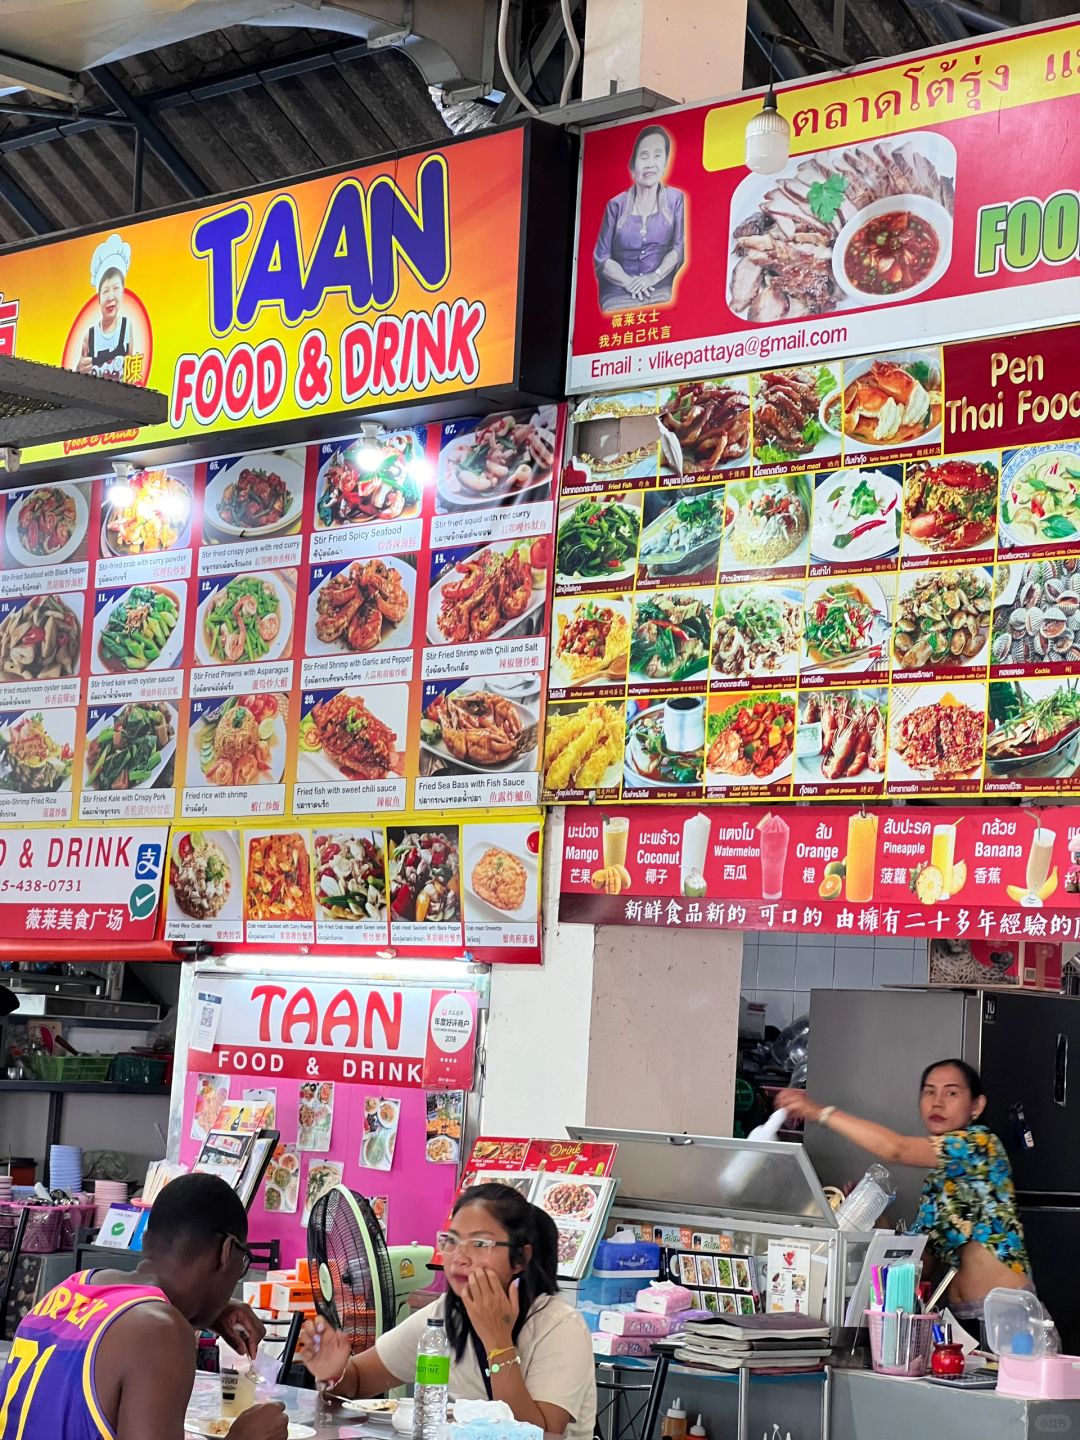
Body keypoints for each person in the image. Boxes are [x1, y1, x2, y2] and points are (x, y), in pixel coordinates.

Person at [0, 1172, 288, 1440]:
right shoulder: (160, 1331)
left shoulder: (76, 1286)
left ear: (148, 1239)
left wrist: (205, 1313)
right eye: (243, 1262)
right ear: (226, 1253)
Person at [299, 1183, 596, 1438]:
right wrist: (335, 1372)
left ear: (520, 1257)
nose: (459, 1257)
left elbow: (540, 1435)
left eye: (480, 1243)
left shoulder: (559, 1326)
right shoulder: (446, 1313)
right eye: (451, 1241)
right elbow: (361, 1380)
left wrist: (498, 1342)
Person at [779, 1058, 1033, 1311]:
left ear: (976, 1106)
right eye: (929, 1091)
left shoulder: (981, 1145)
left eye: (952, 1093)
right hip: (963, 1318)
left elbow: (897, 1149)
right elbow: (920, 1262)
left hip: (1008, 1314)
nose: (938, 1102)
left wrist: (820, 1113)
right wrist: (874, 1217)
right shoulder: (937, 1183)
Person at [593, 125, 686, 314]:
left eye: (658, 155)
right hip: (617, 290)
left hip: (659, 287)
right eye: (644, 157)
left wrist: (653, 277)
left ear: (666, 162)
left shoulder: (675, 199)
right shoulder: (616, 205)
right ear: (633, 165)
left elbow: (678, 248)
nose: (650, 163)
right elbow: (602, 257)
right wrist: (629, 282)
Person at [78, 233, 132, 380]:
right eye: (106, 291)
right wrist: (80, 369)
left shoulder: (127, 327)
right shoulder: (89, 335)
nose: (111, 297)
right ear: (98, 297)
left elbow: (133, 374)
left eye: (116, 288)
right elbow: (77, 377)